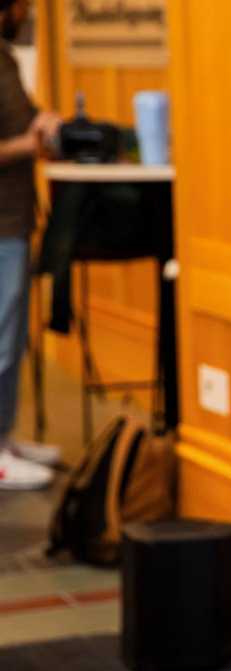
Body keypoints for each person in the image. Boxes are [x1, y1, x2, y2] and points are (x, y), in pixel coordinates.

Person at [0, 0, 60, 490]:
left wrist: (43, 120)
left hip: (17, 217)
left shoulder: (4, 57)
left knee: (13, 338)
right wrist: (27, 144)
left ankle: (5, 438)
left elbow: (21, 114)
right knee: (0, 340)